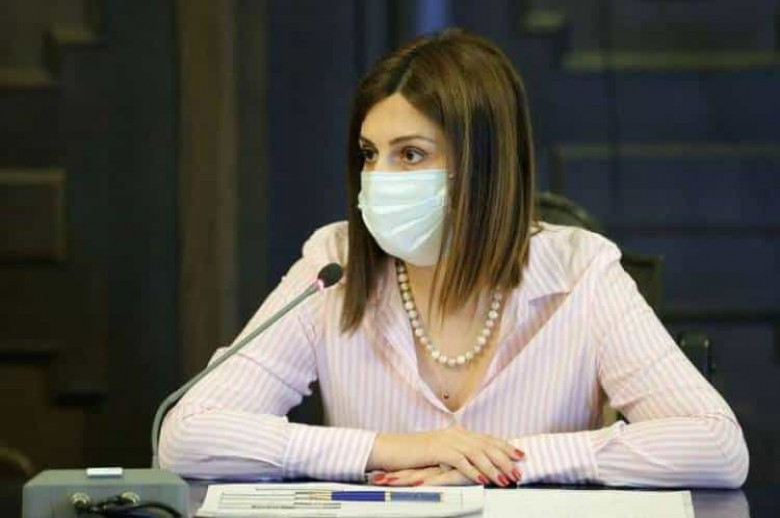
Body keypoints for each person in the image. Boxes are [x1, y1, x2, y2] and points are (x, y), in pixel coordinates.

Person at [159, 29, 748, 488]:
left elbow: (717, 448)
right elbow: (186, 435)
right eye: (369, 154)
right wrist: (392, 449)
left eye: (411, 155)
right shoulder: (334, 263)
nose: (378, 179)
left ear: (484, 166)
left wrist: (506, 462)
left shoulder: (582, 271)